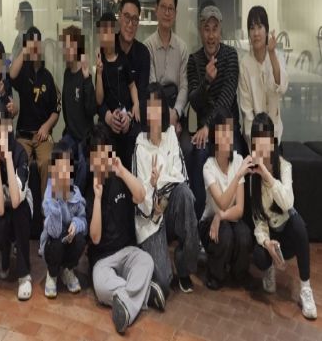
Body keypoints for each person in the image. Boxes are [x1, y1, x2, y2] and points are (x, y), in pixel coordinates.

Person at [85, 124, 165, 335]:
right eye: (97, 156)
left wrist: (121, 171)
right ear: (91, 160)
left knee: (146, 261)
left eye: (105, 153)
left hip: (128, 251)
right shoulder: (89, 188)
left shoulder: (121, 177)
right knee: (100, 286)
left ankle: (126, 302)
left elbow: (140, 195)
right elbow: (95, 238)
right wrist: (98, 198)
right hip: (102, 259)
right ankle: (144, 293)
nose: (102, 160)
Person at [133, 82, 199, 295]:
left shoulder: (170, 134)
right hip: (151, 218)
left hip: (168, 207)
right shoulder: (140, 144)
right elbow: (140, 193)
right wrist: (153, 189)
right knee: (163, 282)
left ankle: (184, 267)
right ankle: (150, 263)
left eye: (157, 107)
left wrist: (157, 187)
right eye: (149, 107)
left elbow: (182, 177)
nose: (153, 113)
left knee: (186, 194)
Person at [250, 113, 317, 320]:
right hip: (271, 236)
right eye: (257, 141)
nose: (261, 147)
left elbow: (288, 203)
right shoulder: (252, 175)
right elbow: (258, 218)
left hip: (287, 233)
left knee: (299, 224)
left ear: (272, 142)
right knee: (259, 255)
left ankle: (306, 288)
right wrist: (266, 242)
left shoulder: (284, 166)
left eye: (265, 141)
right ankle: (269, 267)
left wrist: (267, 176)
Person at [186, 5, 244, 219]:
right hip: (206, 132)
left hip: (227, 128)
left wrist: (207, 125)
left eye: (215, 29)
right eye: (206, 29)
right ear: (201, 31)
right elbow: (194, 102)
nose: (211, 35)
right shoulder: (194, 60)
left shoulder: (231, 56)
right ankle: (200, 218)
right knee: (198, 154)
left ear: (221, 31)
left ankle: (233, 217)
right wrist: (207, 81)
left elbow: (226, 99)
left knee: (236, 154)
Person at [200, 107, 253, 290]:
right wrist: (238, 176)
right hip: (209, 222)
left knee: (244, 235)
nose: (227, 137)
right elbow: (222, 202)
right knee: (225, 234)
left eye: (230, 132)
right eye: (223, 132)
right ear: (214, 136)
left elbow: (239, 209)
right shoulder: (208, 167)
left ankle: (239, 273)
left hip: (228, 218)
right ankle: (215, 273)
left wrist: (221, 216)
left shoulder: (238, 161)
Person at [0, 100, 34, 300]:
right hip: (4, 209)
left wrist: (7, 158)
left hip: (21, 208)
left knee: (20, 211)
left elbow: (15, 200)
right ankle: (5, 256)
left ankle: (24, 274)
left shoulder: (20, 154)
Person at [10, 26, 61, 199]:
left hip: (42, 137)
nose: (35, 47)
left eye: (37, 43)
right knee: (19, 161)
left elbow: (56, 110)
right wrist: (25, 50)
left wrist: (46, 127)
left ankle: (46, 209)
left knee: (47, 162)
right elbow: (11, 74)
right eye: (32, 43)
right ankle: (23, 207)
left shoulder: (48, 76)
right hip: (24, 136)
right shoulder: (23, 72)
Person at [40, 141, 87, 299]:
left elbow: (83, 220)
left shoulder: (76, 192)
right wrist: (56, 200)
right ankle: (52, 274)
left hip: (69, 240)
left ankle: (68, 269)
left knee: (80, 239)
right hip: (53, 243)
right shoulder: (49, 194)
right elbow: (53, 232)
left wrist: (76, 224)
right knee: (56, 242)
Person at [95, 12, 140, 170]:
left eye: (107, 31)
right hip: (109, 120)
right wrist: (99, 73)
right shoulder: (100, 63)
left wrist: (136, 104)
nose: (104, 36)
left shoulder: (123, 59)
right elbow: (99, 100)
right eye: (101, 32)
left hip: (125, 116)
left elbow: (132, 85)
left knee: (132, 144)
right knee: (103, 144)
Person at [238, 6, 288, 148]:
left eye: (260, 27)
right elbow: (247, 111)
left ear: (266, 30)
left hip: (275, 135)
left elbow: (282, 87)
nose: (256, 33)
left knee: (278, 162)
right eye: (252, 28)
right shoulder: (244, 64)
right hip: (252, 139)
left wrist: (271, 54)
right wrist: (257, 143)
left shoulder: (276, 56)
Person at [144, 0, 189, 135]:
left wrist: (175, 113)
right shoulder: (148, 46)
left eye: (171, 9)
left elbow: (184, 87)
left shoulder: (182, 48)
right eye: (163, 7)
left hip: (176, 111)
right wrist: (166, 117)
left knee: (187, 146)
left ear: (175, 14)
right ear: (156, 9)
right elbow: (151, 85)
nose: (167, 13)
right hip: (155, 112)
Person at [61, 25, 96, 193]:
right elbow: (66, 108)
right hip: (71, 135)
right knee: (59, 155)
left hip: (85, 137)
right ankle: (62, 199)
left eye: (68, 45)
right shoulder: (67, 74)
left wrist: (87, 78)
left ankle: (77, 198)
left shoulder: (85, 75)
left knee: (83, 163)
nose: (65, 49)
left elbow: (91, 110)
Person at [117, 0, 151, 102]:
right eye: (127, 17)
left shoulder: (143, 54)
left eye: (135, 19)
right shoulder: (107, 48)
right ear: (119, 16)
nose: (130, 24)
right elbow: (100, 100)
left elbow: (142, 97)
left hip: (134, 111)